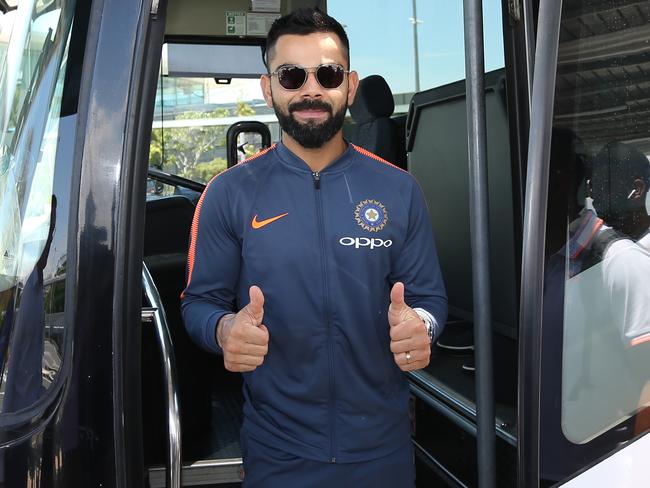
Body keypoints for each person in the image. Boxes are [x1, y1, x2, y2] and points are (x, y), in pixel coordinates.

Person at [180, 7, 447, 487]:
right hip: (278, 453)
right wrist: (223, 331)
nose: (310, 90)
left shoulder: (399, 189)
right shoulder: (229, 193)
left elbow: (429, 301)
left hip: (382, 451)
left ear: (349, 84)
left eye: (327, 74)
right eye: (291, 75)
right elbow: (198, 303)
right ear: (269, 87)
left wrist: (421, 327)